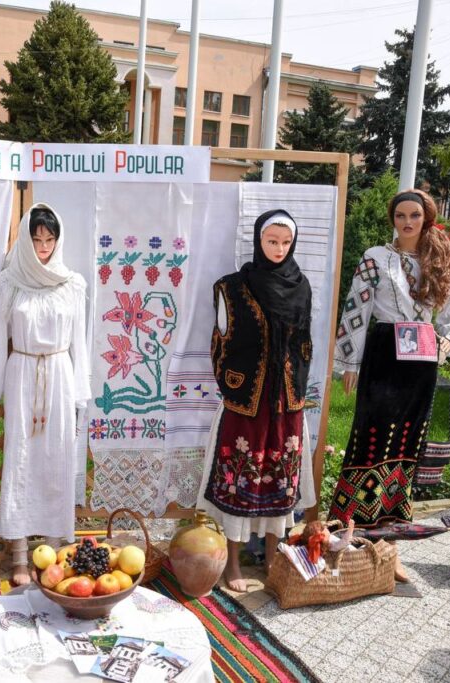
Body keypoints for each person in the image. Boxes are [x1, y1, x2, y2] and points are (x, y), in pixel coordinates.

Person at [329, 188, 450, 582]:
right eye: (400, 216)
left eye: (414, 216)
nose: (407, 223)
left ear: (425, 219)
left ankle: (389, 549)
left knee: (406, 450)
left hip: (422, 363)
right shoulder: (376, 257)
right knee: (368, 443)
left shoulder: (438, 261)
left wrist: (447, 340)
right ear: (393, 219)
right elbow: (357, 308)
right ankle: (348, 536)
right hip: (384, 357)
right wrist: (349, 361)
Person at [199, 210, 313, 592]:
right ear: (258, 241)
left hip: (286, 403)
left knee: (281, 479)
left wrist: (295, 387)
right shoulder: (230, 289)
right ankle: (233, 563)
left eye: (285, 241)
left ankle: (274, 557)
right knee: (239, 478)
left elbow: (304, 345)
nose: (279, 248)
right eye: (271, 241)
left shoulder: (302, 287)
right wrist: (232, 385)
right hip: (246, 401)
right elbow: (219, 341)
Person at [0, 203, 90, 586]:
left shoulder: (72, 284)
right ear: (26, 242)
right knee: (21, 460)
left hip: (59, 373)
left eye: (50, 239)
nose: (44, 247)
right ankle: (17, 554)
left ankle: (54, 550)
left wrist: (80, 391)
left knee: (57, 457)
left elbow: (80, 340)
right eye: (37, 239)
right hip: (23, 372)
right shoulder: (11, 282)